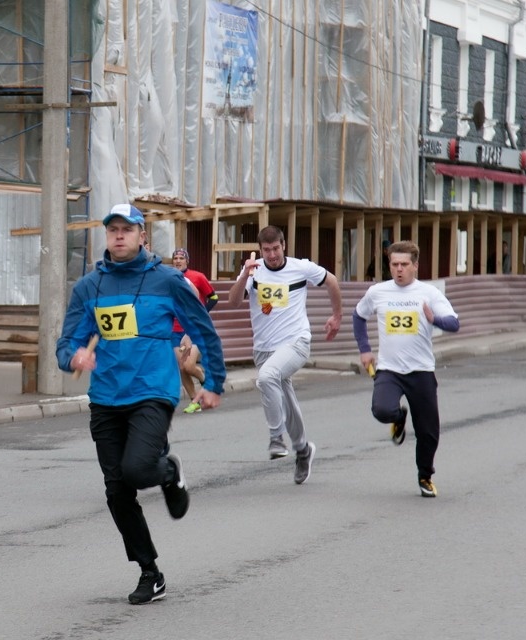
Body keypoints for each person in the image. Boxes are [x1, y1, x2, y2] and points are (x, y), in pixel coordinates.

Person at [56, 203, 226, 605]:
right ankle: (150, 571)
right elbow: (68, 342)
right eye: (113, 229)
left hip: (152, 391)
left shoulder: (167, 281)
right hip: (106, 397)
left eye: (127, 229)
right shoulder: (89, 287)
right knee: (117, 490)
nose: (119, 235)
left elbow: (203, 329)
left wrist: (214, 382)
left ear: (142, 236)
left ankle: (168, 471)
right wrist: (73, 357)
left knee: (136, 469)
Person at [227, 225, 342, 484]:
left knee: (267, 378)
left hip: (296, 342)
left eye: (276, 249)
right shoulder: (253, 271)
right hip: (264, 348)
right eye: (266, 250)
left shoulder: (301, 267)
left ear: (284, 246)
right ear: (260, 250)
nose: (272, 255)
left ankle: (276, 438)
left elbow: (332, 281)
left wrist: (337, 316)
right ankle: (303, 449)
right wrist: (245, 274)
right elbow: (233, 301)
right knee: (285, 399)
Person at [352, 240, 459, 498]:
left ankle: (425, 476)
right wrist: (365, 349)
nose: (399, 269)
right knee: (381, 410)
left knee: (428, 431)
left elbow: (454, 323)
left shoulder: (428, 293)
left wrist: (435, 319)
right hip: (389, 370)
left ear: (415, 266)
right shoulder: (378, 291)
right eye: (394, 264)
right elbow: (358, 316)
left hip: (421, 371)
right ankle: (398, 418)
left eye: (404, 264)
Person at [170, 248, 219, 414]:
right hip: (175, 330)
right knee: (182, 367)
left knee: (189, 366)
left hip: (194, 330)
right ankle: (194, 401)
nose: (178, 261)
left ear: (187, 261)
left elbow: (214, 298)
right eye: (175, 258)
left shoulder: (197, 277)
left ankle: (207, 381)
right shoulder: (168, 279)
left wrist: (201, 313)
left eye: (181, 258)